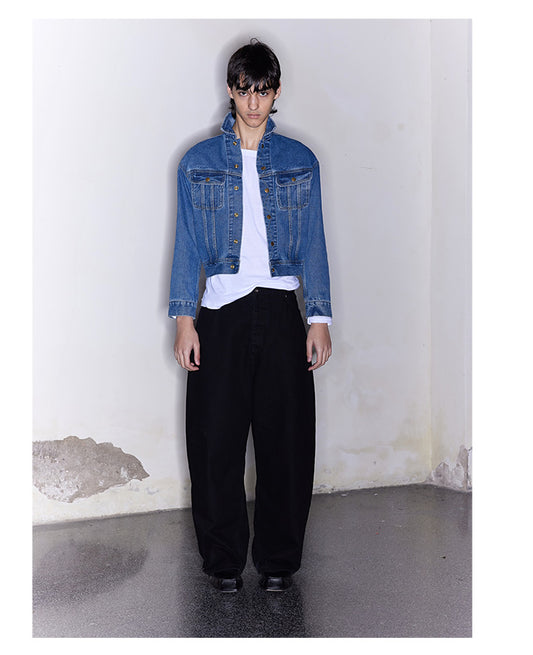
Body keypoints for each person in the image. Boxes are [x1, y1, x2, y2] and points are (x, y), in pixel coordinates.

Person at [169, 39, 332, 593]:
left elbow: (314, 242)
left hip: (282, 311)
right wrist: (184, 319)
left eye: (263, 91)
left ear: (276, 92)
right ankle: (223, 563)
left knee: (286, 442)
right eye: (245, 91)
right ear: (231, 91)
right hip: (220, 312)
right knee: (215, 442)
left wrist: (319, 316)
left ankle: (279, 561)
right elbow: (187, 245)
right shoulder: (197, 163)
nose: (254, 103)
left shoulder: (300, 161)